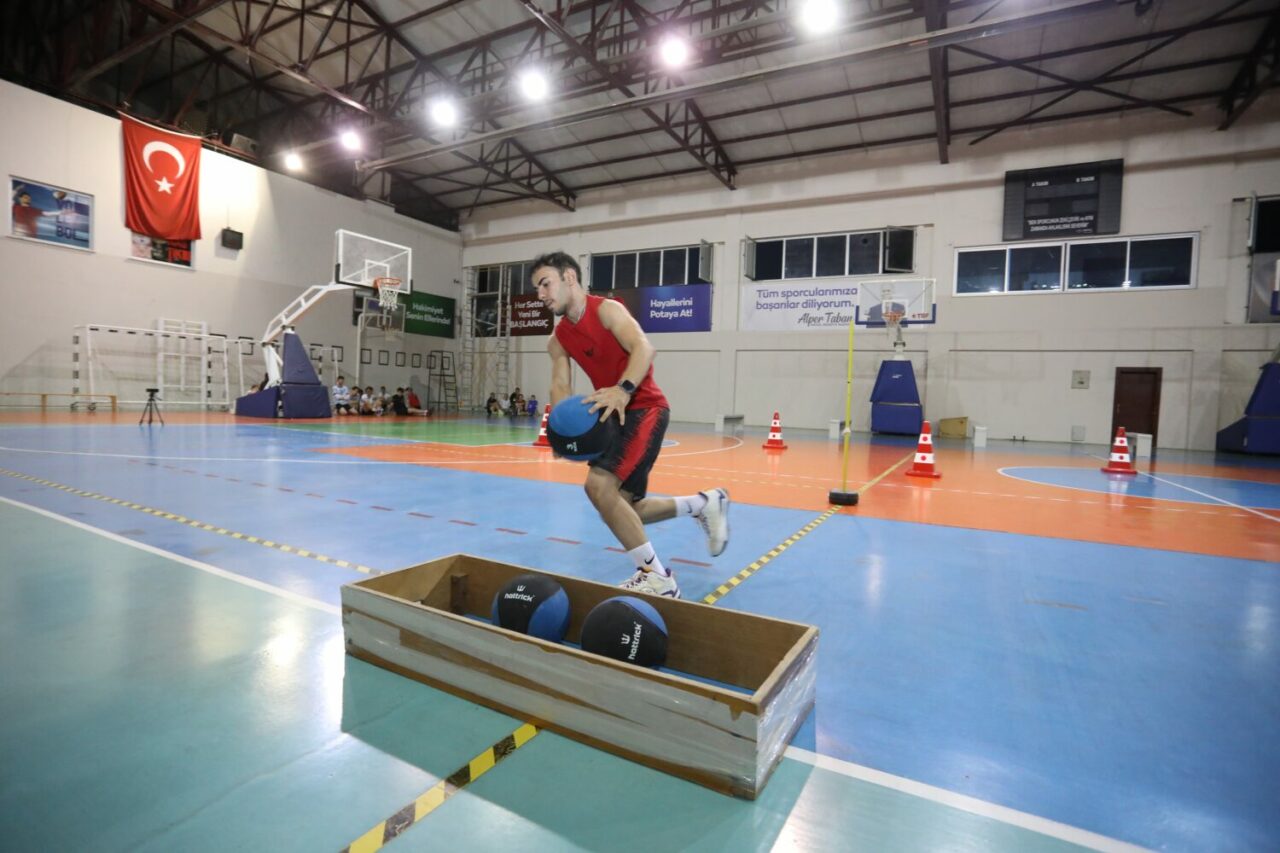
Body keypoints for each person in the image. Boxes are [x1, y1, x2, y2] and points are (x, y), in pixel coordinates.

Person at [532, 251, 729, 599]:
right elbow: (560, 385)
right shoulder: (558, 338)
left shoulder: (607, 310)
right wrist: (563, 432)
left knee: (598, 489)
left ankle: (657, 577)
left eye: (545, 284)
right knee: (625, 507)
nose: (541, 294)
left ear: (569, 278)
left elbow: (644, 347)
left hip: (644, 408)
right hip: (612, 417)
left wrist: (623, 390)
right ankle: (702, 503)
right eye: (537, 289)